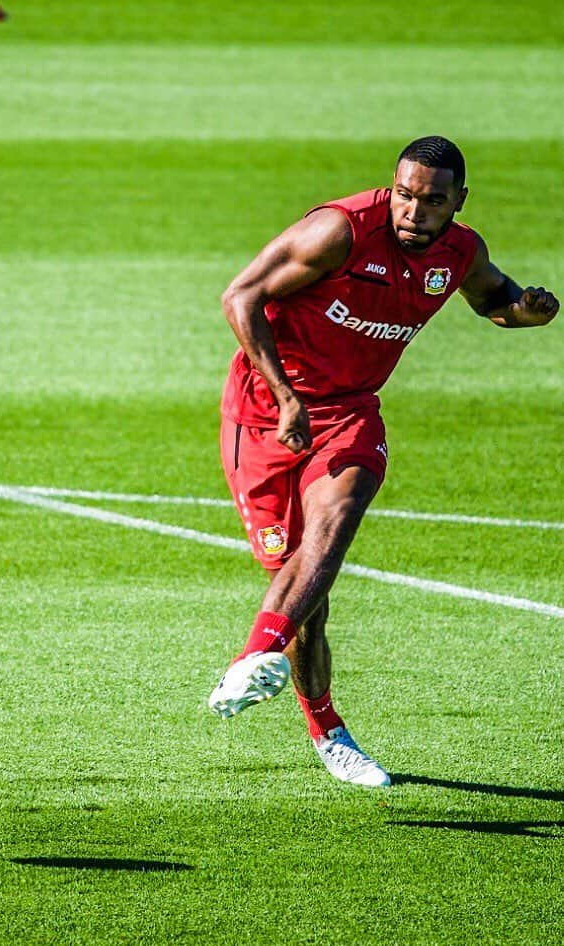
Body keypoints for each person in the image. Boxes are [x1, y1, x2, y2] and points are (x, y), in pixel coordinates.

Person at [207, 136, 559, 787]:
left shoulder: (459, 252)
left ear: (458, 201)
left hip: (349, 412)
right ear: (390, 188)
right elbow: (241, 296)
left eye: (432, 200)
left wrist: (527, 314)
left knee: (333, 527)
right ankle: (319, 715)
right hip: (266, 414)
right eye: (405, 194)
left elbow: (494, 300)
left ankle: (261, 662)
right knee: (302, 585)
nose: (414, 211)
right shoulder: (337, 233)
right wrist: (285, 397)